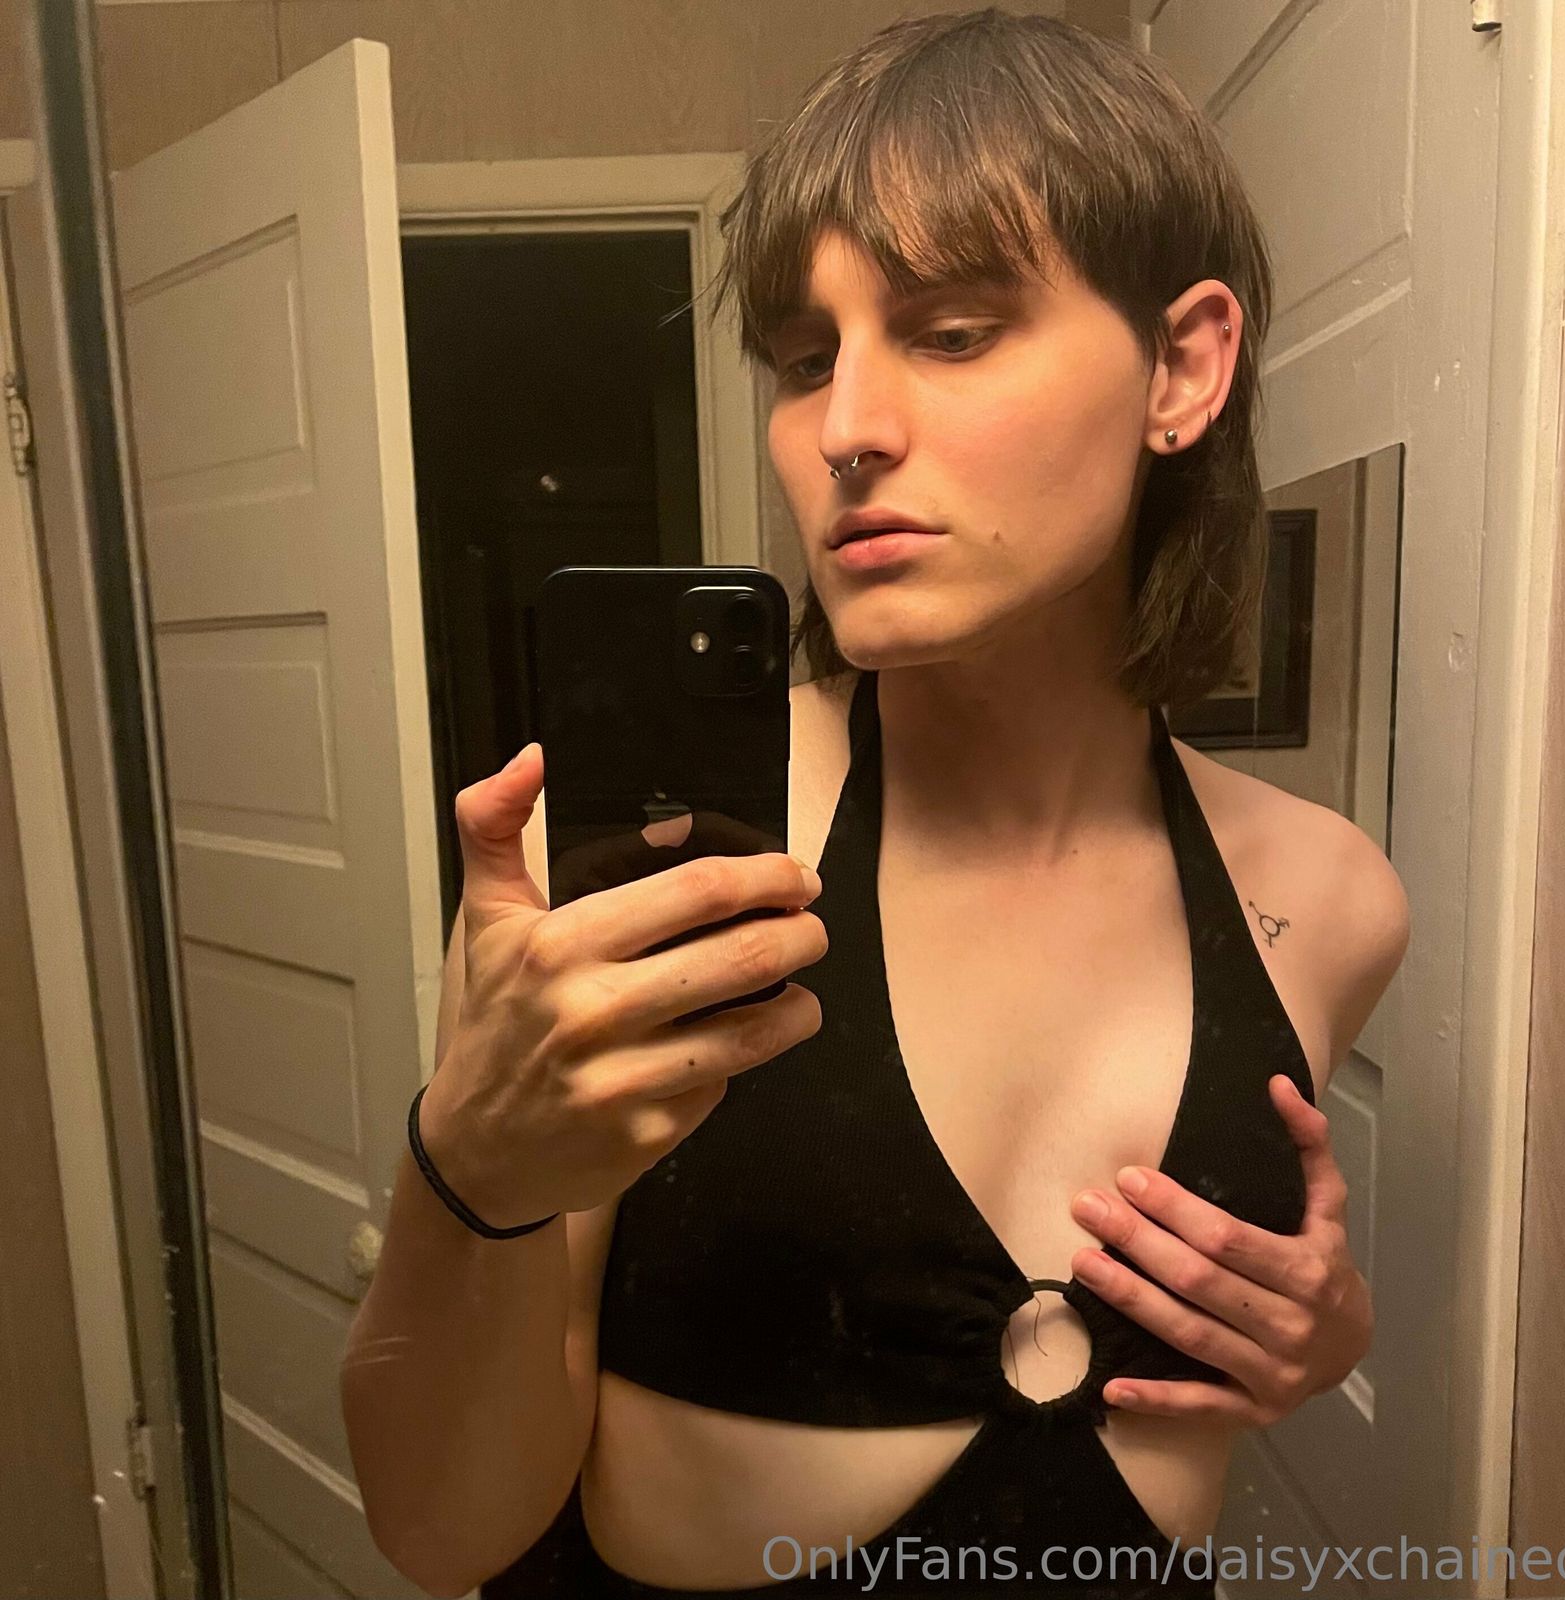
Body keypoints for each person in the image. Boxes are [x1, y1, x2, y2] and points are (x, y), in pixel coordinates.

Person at [341, 11, 1406, 1597]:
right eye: (802, 358)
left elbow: (1257, 1339)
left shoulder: (1328, 899)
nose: (842, 429)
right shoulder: (652, 863)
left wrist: (1324, 1334)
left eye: (952, 331)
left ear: (1181, 366)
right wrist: (468, 1176)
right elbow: (440, 1532)